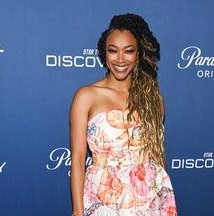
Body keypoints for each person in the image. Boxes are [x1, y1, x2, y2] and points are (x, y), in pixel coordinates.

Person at [70, 13, 177, 216]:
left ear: (138, 54)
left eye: (129, 51)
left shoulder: (153, 99)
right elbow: (77, 158)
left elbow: (157, 155)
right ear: (104, 53)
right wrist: (77, 211)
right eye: (113, 51)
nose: (120, 59)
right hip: (104, 196)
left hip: (149, 195)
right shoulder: (86, 96)